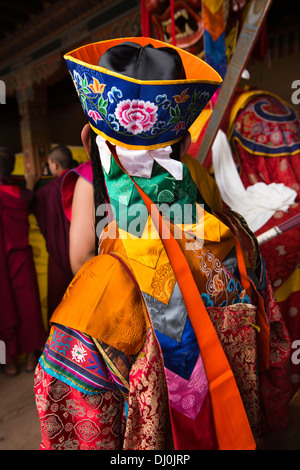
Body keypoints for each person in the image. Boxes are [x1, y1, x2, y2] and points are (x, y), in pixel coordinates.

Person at [34, 37, 287, 450]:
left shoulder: (95, 297)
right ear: (186, 148)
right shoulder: (237, 239)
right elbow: (273, 360)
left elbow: (75, 430)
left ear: (88, 143)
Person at [0, 147, 47, 376]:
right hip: (21, 260)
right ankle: (31, 360)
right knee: (28, 307)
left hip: (2, 265)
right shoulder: (19, 193)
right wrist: (29, 183)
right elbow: (29, 199)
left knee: (4, 308)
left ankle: (8, 363)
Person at [32, 145, 74, 322]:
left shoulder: (45, 193)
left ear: (55, 165)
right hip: (87, 256)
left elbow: (30, 205)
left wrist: (30, 185)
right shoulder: (82, 181)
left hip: (58, 257)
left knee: (62, 309)